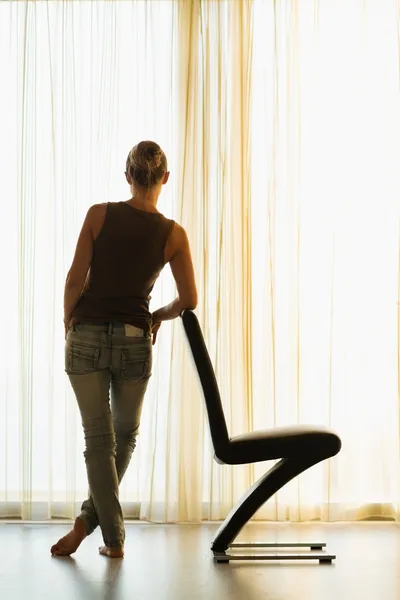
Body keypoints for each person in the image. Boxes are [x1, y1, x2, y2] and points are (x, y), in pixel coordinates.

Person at [50, 141, 197, 558]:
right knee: (123, 439)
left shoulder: (99, 215)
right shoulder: (174, 235)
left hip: (87, 336)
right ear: (165, 179)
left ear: (127, 175)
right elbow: (189, 299)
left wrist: (68, 323)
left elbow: (74, 281)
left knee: (98, 440)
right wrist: (157, 317)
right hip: (136, 340)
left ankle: (91, 528)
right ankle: (102, 535)